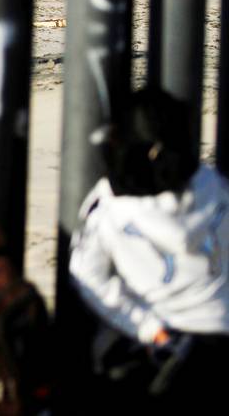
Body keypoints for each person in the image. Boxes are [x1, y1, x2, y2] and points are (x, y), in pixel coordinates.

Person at [69, 87, 229, 412]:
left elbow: (86, 275)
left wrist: (147, 328)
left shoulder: (109, 206)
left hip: (162, 346)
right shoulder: (211, 185)